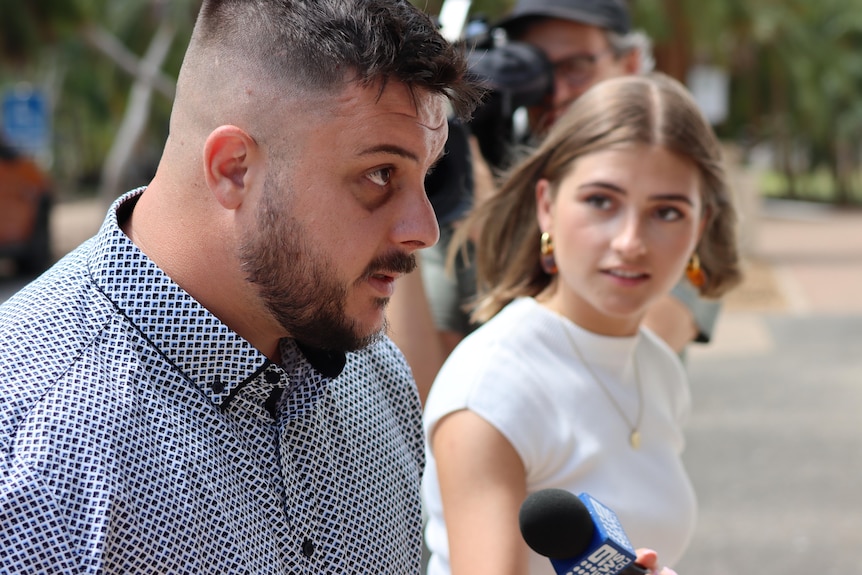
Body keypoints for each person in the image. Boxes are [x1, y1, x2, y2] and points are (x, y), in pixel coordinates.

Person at [0, 1, 480, 573]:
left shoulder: (377, 376)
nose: (424, 231)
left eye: (425, 176)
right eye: (381, 175)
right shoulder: (33, 439)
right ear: (233, 168)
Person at [421, 73, 743, 575]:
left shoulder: (657, 368)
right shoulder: (491, 386)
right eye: (601, 202)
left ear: (700, 227)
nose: (631, 241)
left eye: (667, 212)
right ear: (547, 205)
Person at [387, 0, 723, 405]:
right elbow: (418, 398)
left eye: (576, 67)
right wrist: (410, 203)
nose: (556, 92)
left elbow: (613, 373)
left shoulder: (676, 188)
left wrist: (497, 233)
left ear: (631, 63)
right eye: (537, 70)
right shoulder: (468, 180)